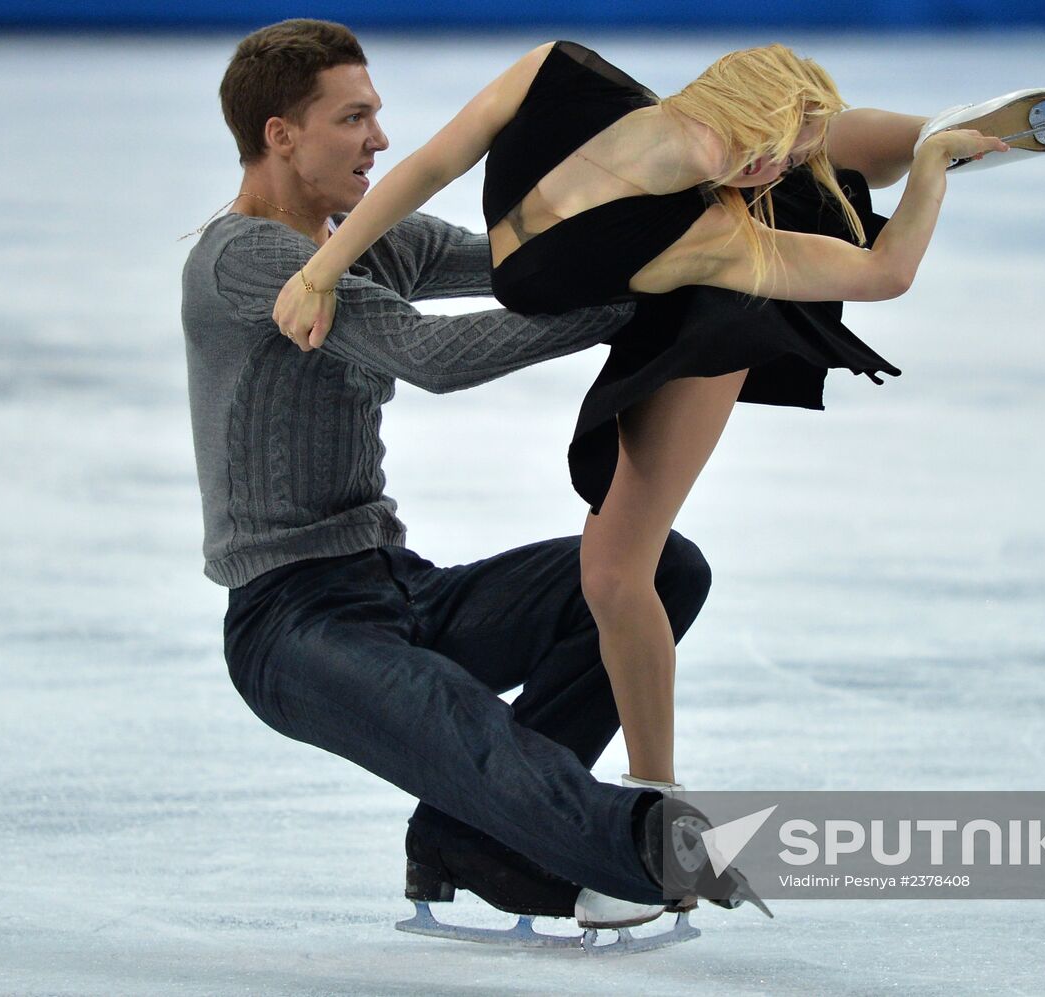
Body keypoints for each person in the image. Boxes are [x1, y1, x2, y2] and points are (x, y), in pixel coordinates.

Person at [272, 40, 1011, 800]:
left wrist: (929, 174)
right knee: (613, 575)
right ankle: (927, 136)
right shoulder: (556, 77)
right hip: (680, 231)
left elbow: (885, 271)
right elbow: (430, 166)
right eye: (774, 154)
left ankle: (656, 794)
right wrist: (318, 271)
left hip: (705, 315)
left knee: (616, 571)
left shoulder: (710, 234)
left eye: (784, 158)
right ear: (743, 127)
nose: (775, 172)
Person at [181, 18, 754, 936]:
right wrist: (620, 307)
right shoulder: (243, 258)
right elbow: (430, 355)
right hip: (289, 624)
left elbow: (523, 265)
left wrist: (686, 229)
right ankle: (643, 843)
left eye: (376, 114)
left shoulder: (371, 242)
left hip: (398, 587)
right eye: (353, 117)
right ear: (280, 134)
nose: (380, 138)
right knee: (457, 722)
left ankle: (467, 842)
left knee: (661, 568)